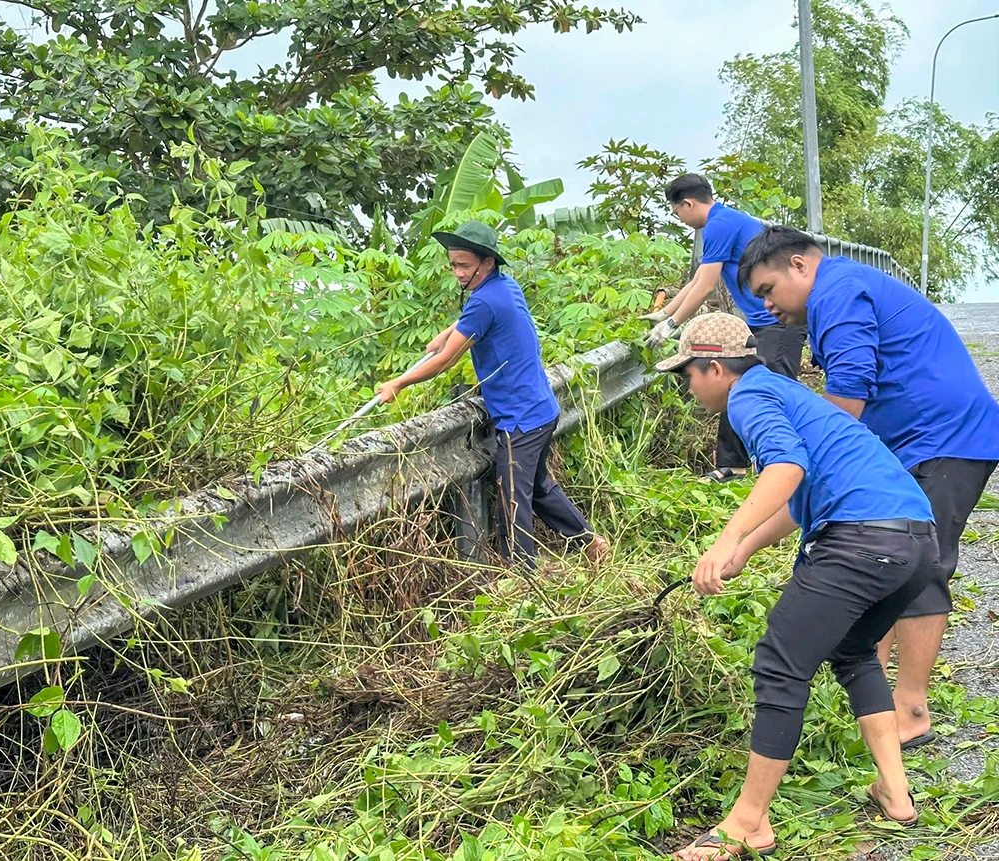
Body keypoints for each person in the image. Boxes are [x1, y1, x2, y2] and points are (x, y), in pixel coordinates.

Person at [658, 313, 938, 860]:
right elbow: (799, 490)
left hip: (859, 541)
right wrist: (745, 548)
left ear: (715, 367)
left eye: (687, 374)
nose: (688, 386)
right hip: (915, 540)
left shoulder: (748, 398)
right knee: (854, 651)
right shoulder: (785, 391)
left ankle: (748, 823)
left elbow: (785, 466)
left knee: (779, 664)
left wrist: (723, 538)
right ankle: (896, 792)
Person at [739, 225, 999, 750]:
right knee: (886, 564)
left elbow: (847, 401)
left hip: (944, 437)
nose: (767, 307)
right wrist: (748, 540)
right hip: (911, 442)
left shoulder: (835, 292)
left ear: (798, 266)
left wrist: (798, 461)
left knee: (920, 564)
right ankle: (873, 700)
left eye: (767, 291)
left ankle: (911, 709)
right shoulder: (840, 288)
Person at [375, 220, 609, 569]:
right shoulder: (504, 286)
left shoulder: (484, 301)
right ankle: (590, 542)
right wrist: (447, 330)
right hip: (540, 409)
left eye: (464, 265)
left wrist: (399, 383)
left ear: (486, 263)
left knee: (512, 500)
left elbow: (446, 361)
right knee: (537, 487)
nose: (457, 272)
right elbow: (472, 321)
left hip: (521, 418)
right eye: (453, 264)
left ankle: (522, 575)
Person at [644, 174, 807, 483]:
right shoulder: (724, 220)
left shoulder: (720, 224)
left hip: (779, 321)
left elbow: (705, 286)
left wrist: (671, 325)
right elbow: (696, 280)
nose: (679, 217)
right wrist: (664, 312)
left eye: (677, 211)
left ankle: (786, 464)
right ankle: (734, 466)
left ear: (688, 203)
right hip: (761, 322)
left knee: (774, 391)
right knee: (738, 384)